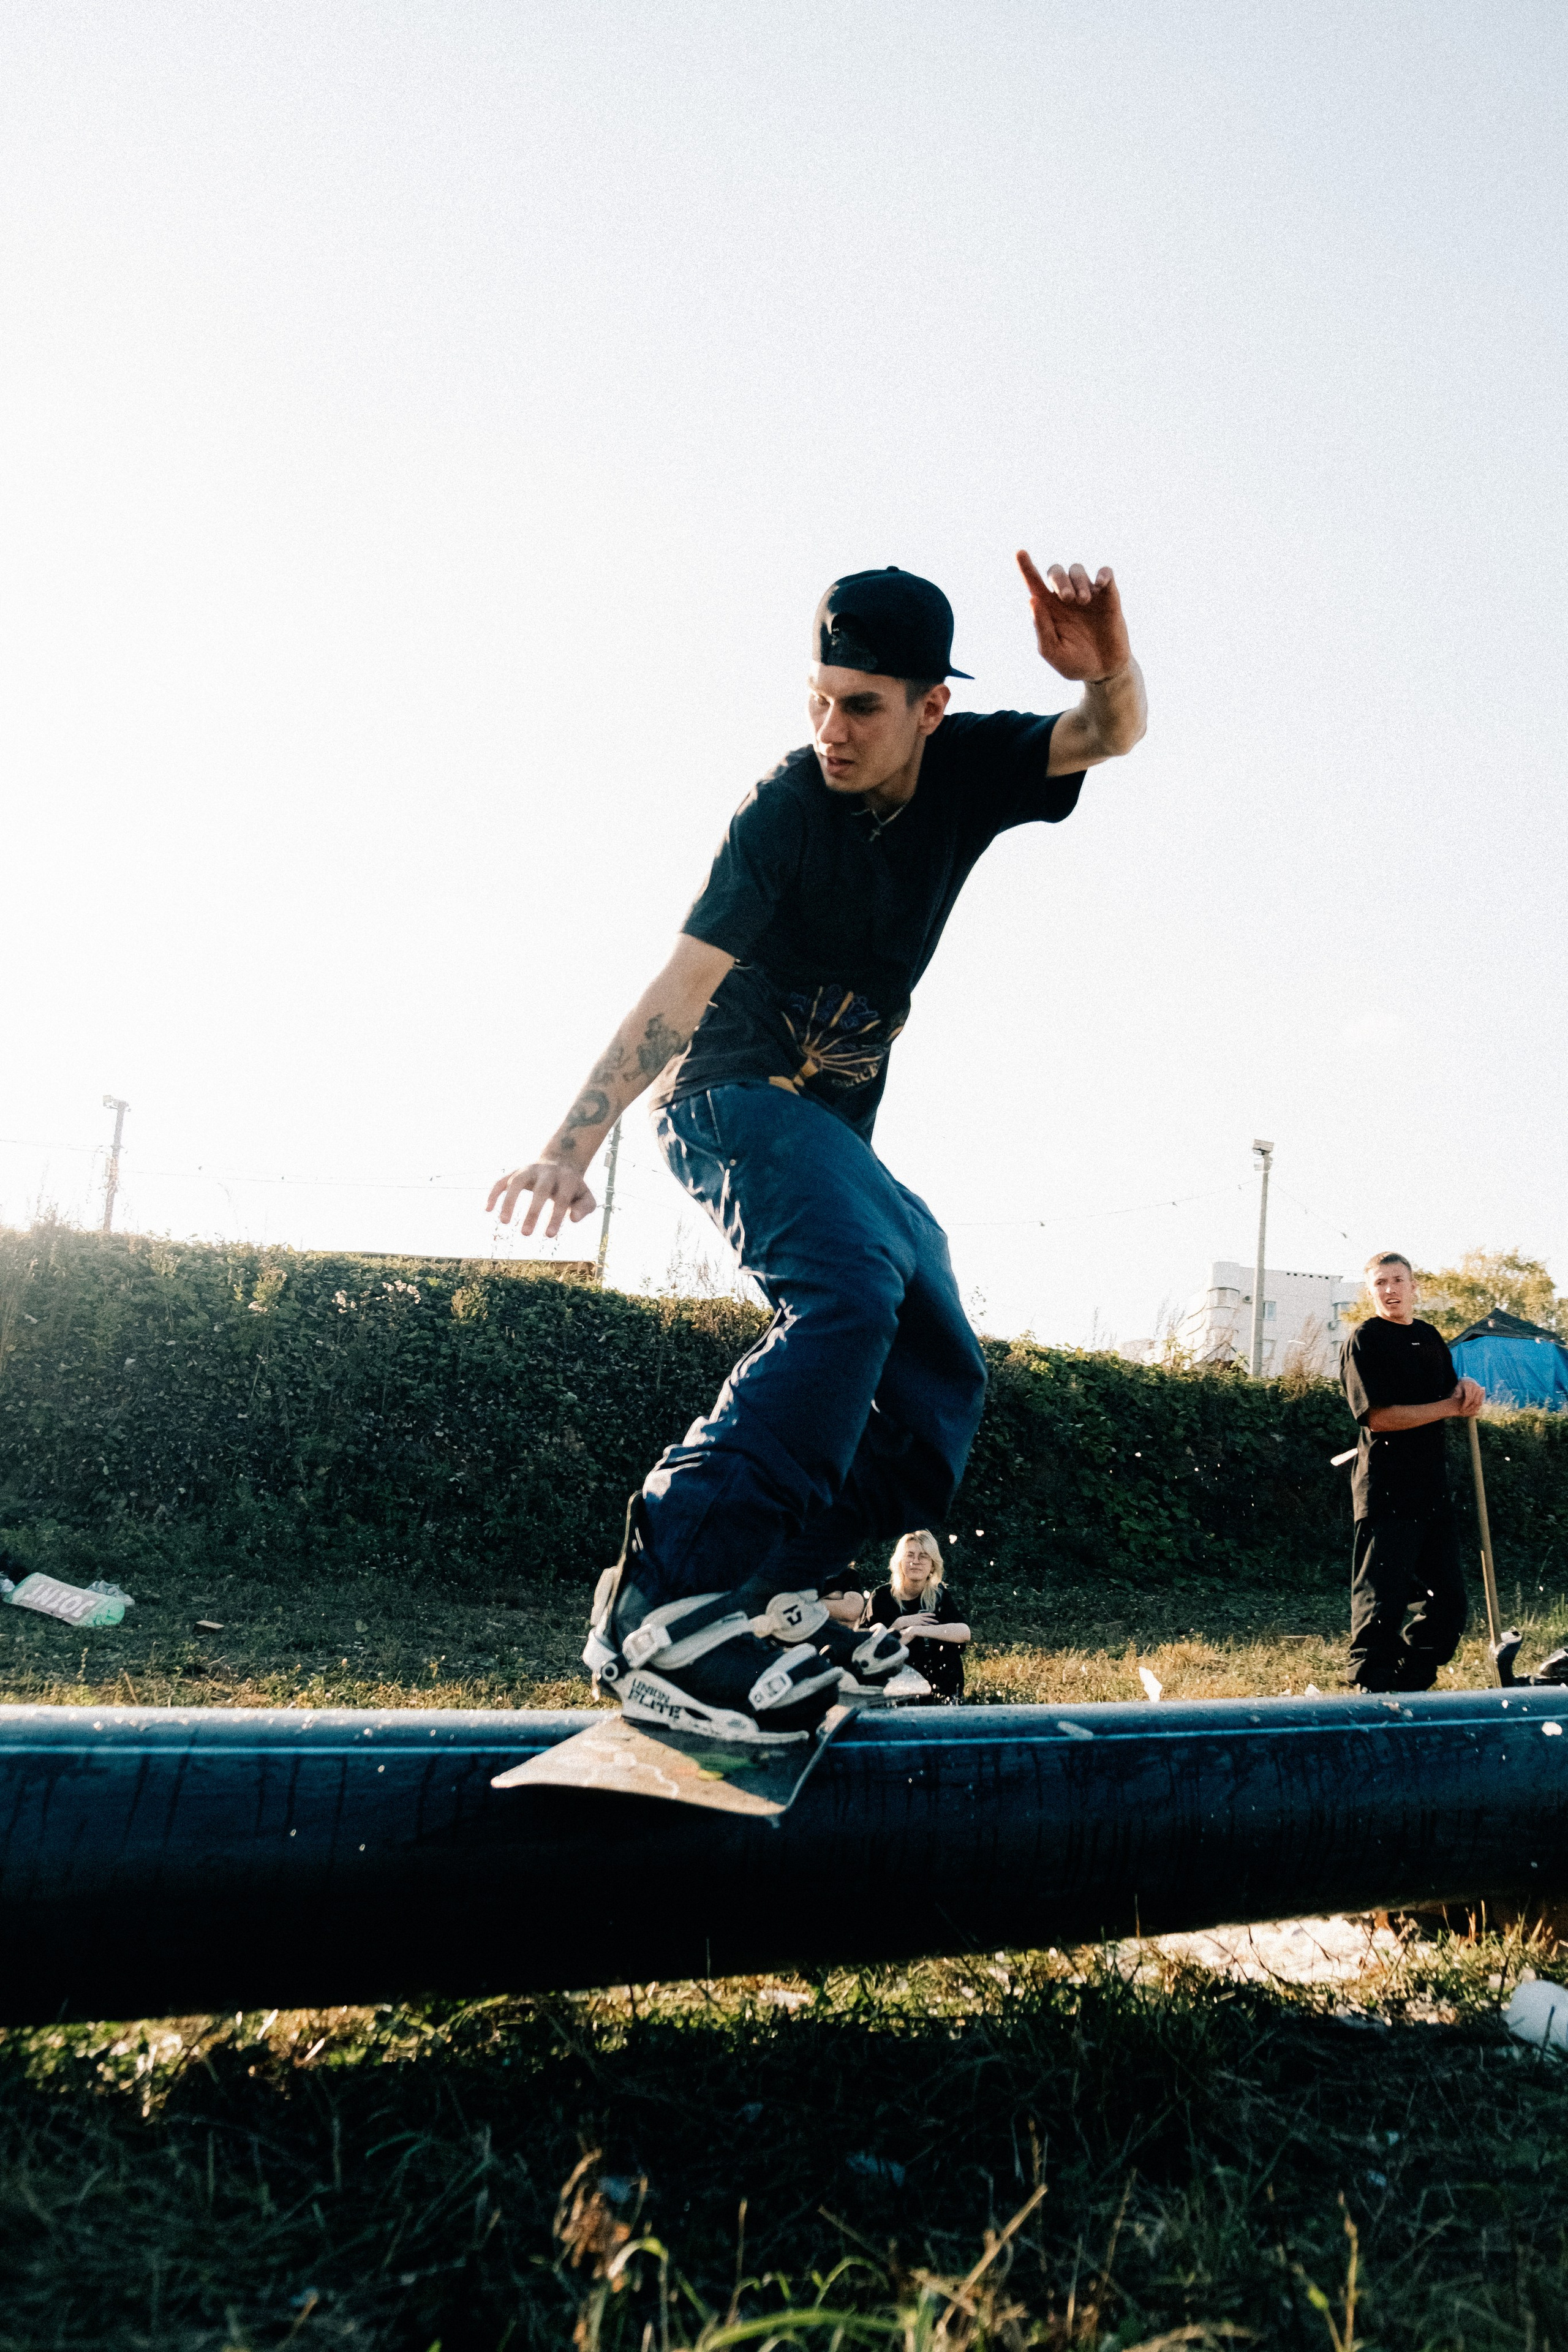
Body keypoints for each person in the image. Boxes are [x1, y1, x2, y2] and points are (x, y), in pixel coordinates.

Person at [490, 552, 1147, 1746]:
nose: (830, 731)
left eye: (860, 707)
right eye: (817, 699)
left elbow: (1106, 731)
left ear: (926, 707)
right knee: (848, 1294)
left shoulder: (969, 767)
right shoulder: (781, 813)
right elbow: (679, 990)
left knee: (937, 1345)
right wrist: (566, 1148)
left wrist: (1103, 661)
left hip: (830, 1144)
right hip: (721, 1100)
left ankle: (777, 1607)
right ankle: (664, 1598)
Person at [1340, 1250, 1485, 1691]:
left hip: (1431, 1489)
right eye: (1380, 1283)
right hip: (1387, 1488)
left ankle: (1413, 1684)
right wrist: (1448, 1406)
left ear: (1413, 1284)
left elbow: (1451, 1392)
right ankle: (1370, 1689)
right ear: (1371, 1290)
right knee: (1381, 1600)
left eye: (1397, 1280)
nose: (1390, 1290)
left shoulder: (1429, 1336)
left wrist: (1466, 1388)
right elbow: (1378, 1417)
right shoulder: (1365, 1340)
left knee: (1450, 1602)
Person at [865, 1530, 971, 1704]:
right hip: (896, 1685)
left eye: (923, 1556)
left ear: (933, 1565)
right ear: (900, 1561)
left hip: (941, 1682)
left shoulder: (938, 1595)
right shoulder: (882, 1597)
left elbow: (964, 1632)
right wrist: (899, 1624)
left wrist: (917, 1630)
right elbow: (867, 1649)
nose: (916, 1561)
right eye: (910, 1555)